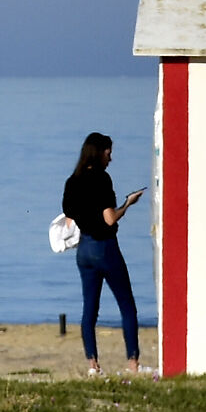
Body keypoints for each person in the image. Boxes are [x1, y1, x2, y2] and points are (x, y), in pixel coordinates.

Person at [62, 131, 146, 375]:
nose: (110, 158)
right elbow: (109, 219)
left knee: (90, 309)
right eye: (108, 153)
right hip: (105, 247)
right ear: (98, 153)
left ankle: (93, 364)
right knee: (127, 305)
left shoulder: (73, 181)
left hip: (84, 249)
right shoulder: (101, 179)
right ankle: (133, 363)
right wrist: (128, 203)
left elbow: (69, 220)